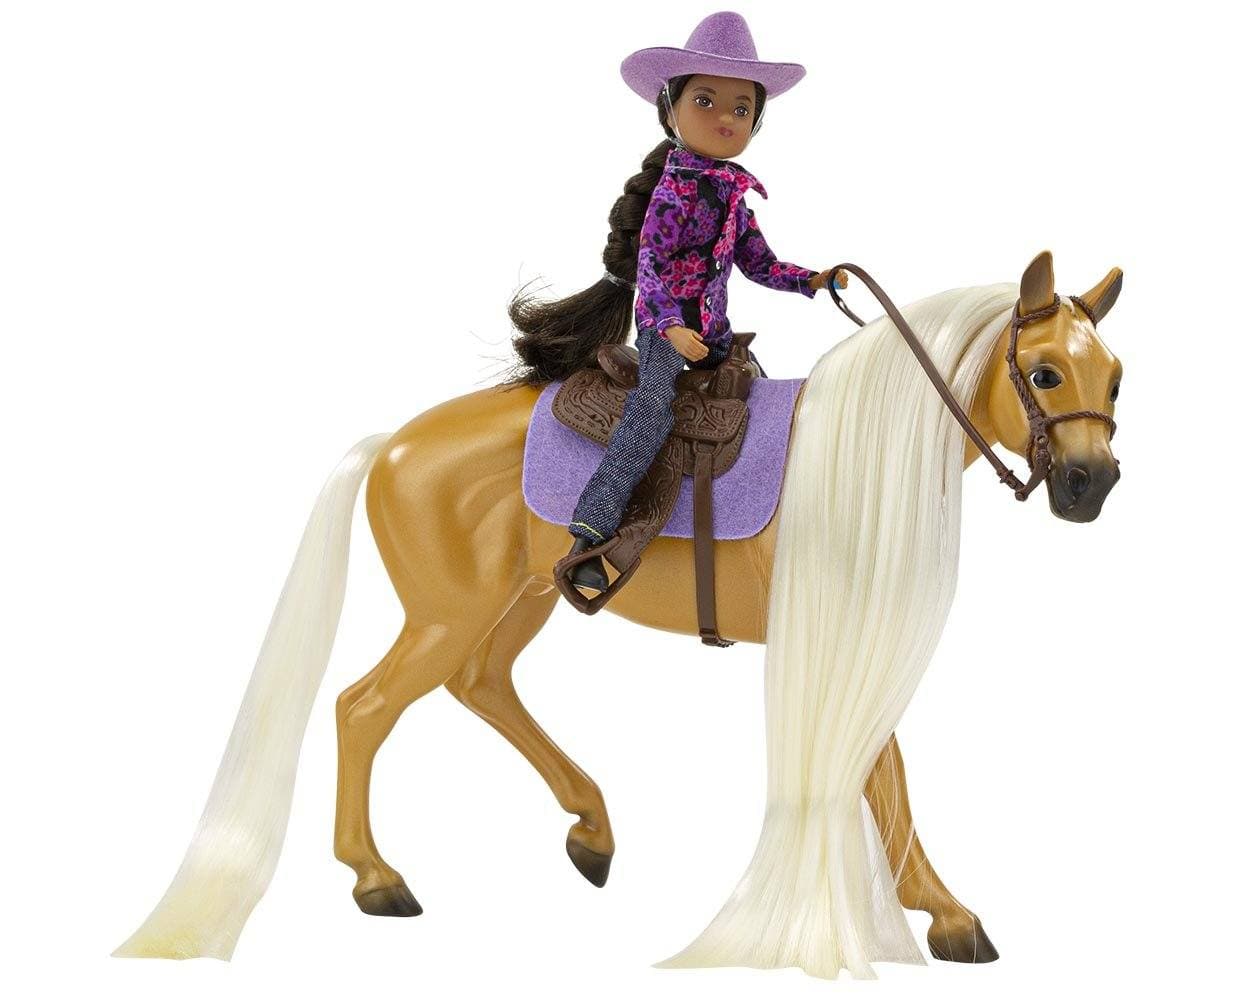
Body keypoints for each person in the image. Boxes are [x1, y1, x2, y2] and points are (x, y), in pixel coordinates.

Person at [507, 12, 845, 597]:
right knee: (653, 411)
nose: (725, 118)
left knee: (759, 412)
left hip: (714, 335)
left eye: (741, 109)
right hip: (666, 332)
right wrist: (667, 328)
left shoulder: (733, 196)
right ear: (671, 110)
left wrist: (812, 280)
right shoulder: (674, 192)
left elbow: (759, 263)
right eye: (706, 101)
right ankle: (593, 529)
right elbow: (652, 269)